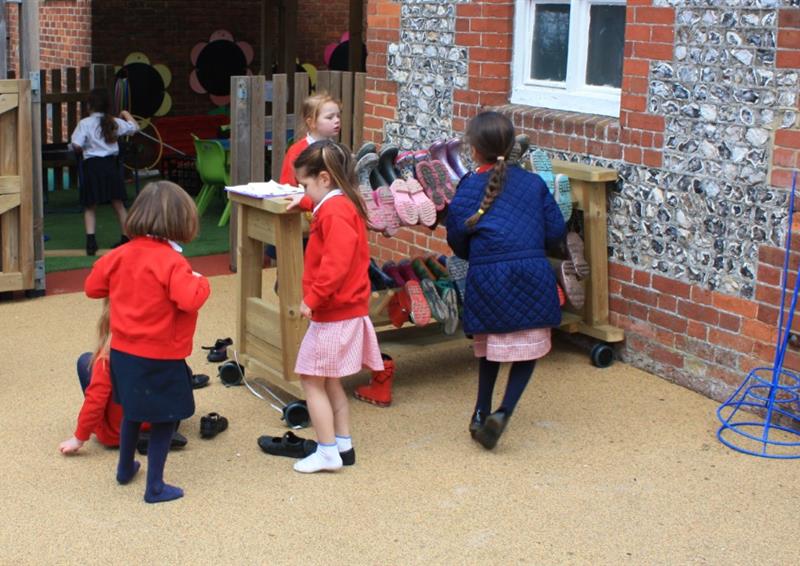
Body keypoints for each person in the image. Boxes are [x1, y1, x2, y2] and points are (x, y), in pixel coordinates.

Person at [445, 111, 566, 450]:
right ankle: (504, 411)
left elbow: (457, 239)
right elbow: (556, 230)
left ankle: (480, 412)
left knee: (489, 348)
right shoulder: (533, 183)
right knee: (528, 348)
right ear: (512, 146)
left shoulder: (469, 186)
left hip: (488, 277)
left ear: (473, 149)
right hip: (532, 272)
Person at [84, 180, 211, 503]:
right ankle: (155, 486)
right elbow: (189, 300)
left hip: (124, 351)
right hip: (161, 355)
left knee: (131, 411)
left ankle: (125, 468)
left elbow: (93, 287)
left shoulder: (120, 254)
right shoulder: (172, 262)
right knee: (164, 419)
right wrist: (202, 284)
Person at [284, 140, 384, 473]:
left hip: (333, 312)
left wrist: (312, 299)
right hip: (345, 310)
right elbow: (325, 215)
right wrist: (304, 202)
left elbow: (335, 264)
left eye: (306, 185)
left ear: (324, 179)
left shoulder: (333, 210)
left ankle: (327, 452)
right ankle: (343, 445)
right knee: (330, 381)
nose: (305, 190)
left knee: (311, 381)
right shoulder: (339, 203)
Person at [70, 88, 139, 256]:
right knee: (118, 203)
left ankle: (91, 242)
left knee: (90, 205)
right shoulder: (114, 121)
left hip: (92, 166)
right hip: (111, 166)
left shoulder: (84, 123)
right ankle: (126, 238)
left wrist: (85, 146)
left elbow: (76, 144)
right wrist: (125, 113)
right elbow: (135, 128)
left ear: (89, 106)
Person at [279, 92, 342, 187]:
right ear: (311, 122)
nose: (337, 120)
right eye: (330, 117)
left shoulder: (337, 149)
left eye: (338, 116)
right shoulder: (297, 151)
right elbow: (287, 185)